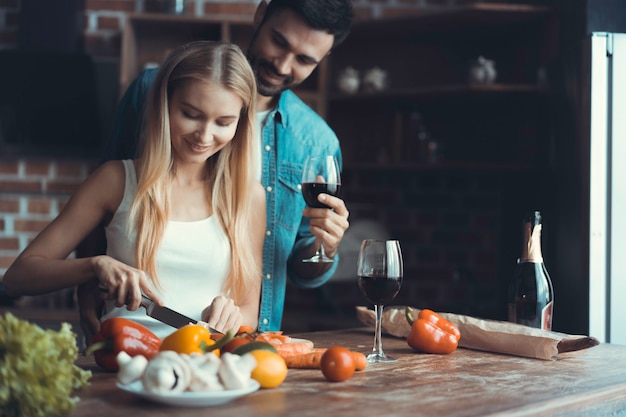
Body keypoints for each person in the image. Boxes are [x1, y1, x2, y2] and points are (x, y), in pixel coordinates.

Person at [79, 0, 354, 338]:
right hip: (127, 332)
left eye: (304, 60)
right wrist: (87, 281)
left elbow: (302, 270)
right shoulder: (152, 90)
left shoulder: (317, 143)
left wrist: (325, 246)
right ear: (260, 15)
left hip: (237, 341)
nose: (283, 65)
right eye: (279, 42)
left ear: (323, 58)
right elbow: (102, 202)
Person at [4, 41, 266, 338]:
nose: (205, 135)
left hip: (205, 367)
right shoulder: (115, 180)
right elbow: (18, 278)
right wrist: (95, 266)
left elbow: (248, 310)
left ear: (240, 124)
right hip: (122, 362)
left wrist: (232, 316)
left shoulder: (249, 197)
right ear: (164, 104)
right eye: (191, 115)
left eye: (223, 122)